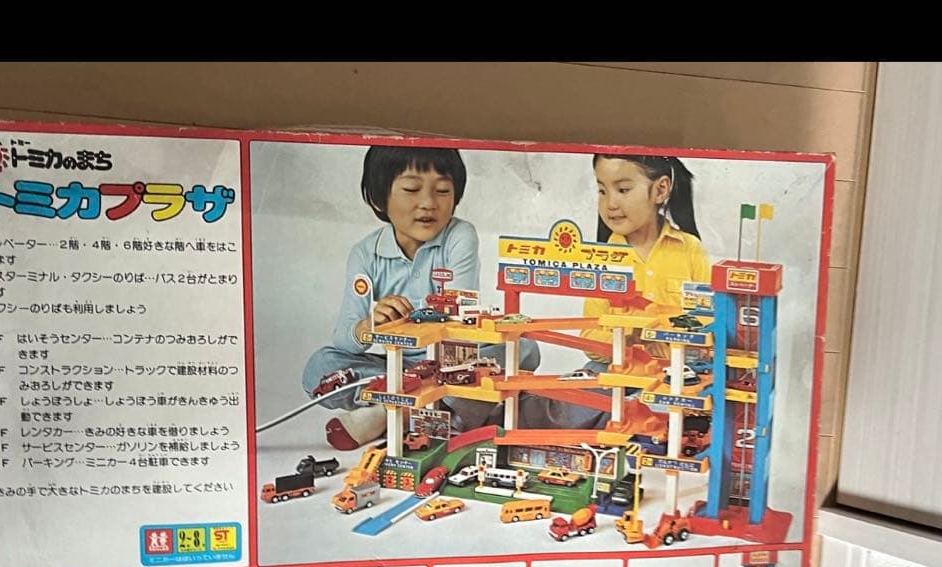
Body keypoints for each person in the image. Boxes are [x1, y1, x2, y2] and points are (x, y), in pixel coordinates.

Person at [302, 145, 539, 450]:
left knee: (524, 349)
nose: (428, 203)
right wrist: (367, 326)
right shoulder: (365, 253)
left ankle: (392, 413)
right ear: (378, 198)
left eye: (442, 191)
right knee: (319, 365)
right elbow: (344, 339)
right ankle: (428, 410)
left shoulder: (460, 236)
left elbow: (459, 322)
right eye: (412, 189)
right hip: (396, 367)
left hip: (452, 363)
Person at [520, 154, 711, 430]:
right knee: (573, 403)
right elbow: (589, 336)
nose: (610, 203)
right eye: (602, 190)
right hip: (615, 370)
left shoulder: (690, 250)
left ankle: (630, 415)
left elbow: (705, 323)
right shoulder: (603, 257)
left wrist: (664, 333)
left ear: (660, 190)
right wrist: (624, 338)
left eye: (623, 190)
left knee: (668, 411)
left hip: (673, 371)